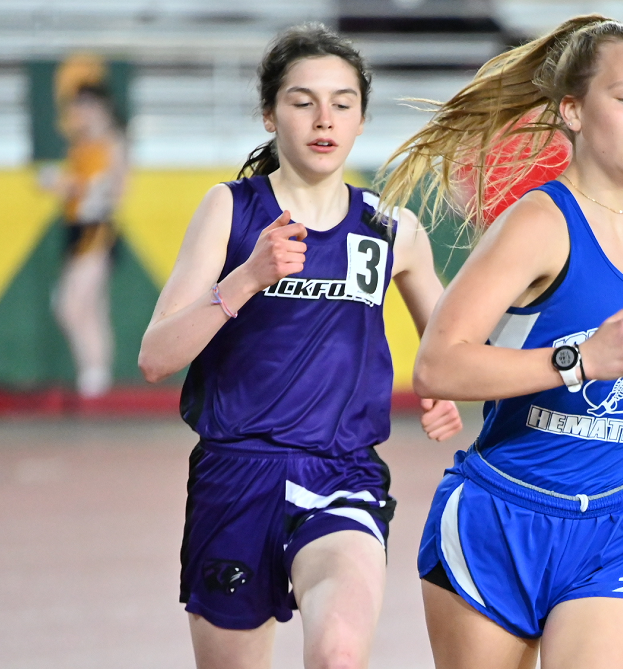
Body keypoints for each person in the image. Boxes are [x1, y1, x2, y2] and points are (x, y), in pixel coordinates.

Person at [378, 15, 623, 669]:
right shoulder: (538, 224)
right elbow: (438, 363)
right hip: (504, 517)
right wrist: (580, 360)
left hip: (615, 520)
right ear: (572, 111)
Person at [137, 23, 462, 669]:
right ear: (269, 112)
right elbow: (155, 356)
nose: (324, 118)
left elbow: (453, 344)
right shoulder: (230, 210)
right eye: (302, 100)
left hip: (343, 475)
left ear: (362, 118)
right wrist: (246, 278)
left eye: (343, 102)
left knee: (339, 652)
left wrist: (442, 387)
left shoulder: (390, 226)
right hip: (235, 477)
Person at [44, 84, 127, 398]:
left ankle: (94, 375)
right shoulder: (80, 144)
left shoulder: (112, 142)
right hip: (76, 228)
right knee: (91, 307)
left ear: (102, 108)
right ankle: (95, 375)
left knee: (71, 305)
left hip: (96, 230)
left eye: (87, 107)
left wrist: (69, 185)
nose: (81, 114)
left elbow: (109, 190)